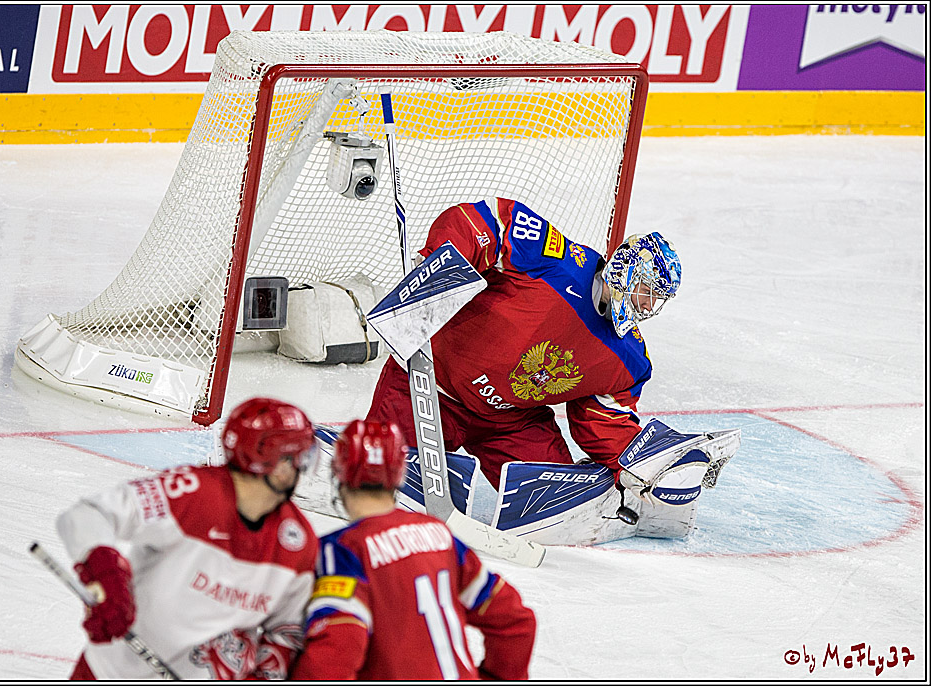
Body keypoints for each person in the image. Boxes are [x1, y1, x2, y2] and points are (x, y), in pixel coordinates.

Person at [366, 197, 682, 489]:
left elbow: (603, 422)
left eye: (657, 297)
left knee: (559, 498)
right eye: (647, 289)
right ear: (625, 268)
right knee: (372, 482)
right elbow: (485, 220)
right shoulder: (559, 262)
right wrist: (441, 264)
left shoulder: (629, 360)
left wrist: (642, 469)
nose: (648, 303)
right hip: (430, 386)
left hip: (509, 423)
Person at [56, 397, 320, 680]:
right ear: (277, 463)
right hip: (113, 673)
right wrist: (107, 574)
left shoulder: (297, 542)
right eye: (300, 456)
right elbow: (88, 514)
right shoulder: (191, 493)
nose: (303, 468)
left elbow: (287, 632)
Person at [292, 419, 537, 680]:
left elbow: (334, 655)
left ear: (338, 474)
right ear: (400, 473)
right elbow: (516, 622)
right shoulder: (439, 535)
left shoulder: (341, 551)